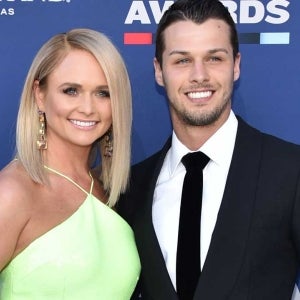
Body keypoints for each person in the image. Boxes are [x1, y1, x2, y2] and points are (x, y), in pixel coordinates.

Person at [118, 0, 300, 299]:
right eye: (182, 60)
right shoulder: (132, 188)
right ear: (159, 71)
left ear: (236, 65)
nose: (199, 75)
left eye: (214, 58)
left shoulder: (290, 172)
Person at [0, 28, 140, 299]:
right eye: (71, 90)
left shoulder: (108, 191)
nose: (87, 107)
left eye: (103, 93)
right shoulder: (12, 193)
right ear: (40, 95)